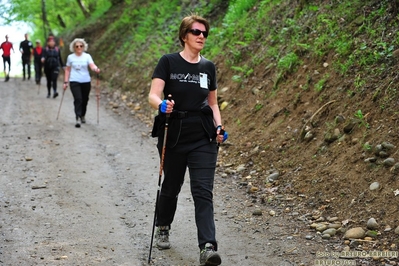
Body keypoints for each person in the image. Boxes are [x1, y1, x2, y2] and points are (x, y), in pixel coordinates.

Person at [148, 14, 228, 266]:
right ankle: (163, 225)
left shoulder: (208, 67)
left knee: (203, 192)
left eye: (204, 33)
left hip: (203, 135)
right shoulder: (168, 62)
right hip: (174, 132)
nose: (201, 36)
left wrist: (219, 127)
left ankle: (207, 247)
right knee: (171, 186)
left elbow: (213, 103)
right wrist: (162, 106)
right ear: (184, 36)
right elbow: (153, 94)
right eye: (196, 32)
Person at [63, 38, 100, 128]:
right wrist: (65, 81)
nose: (79, 47)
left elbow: (92, 65)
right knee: (78, 99)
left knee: (85, 99)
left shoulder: (87, 56)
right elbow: (67, 70)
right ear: (74, 48)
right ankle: (78, 117)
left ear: (83, 47)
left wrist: (95, 69)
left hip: (86, 81)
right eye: (77, 46)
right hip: (74, 80)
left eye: (81, 46)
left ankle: (83, 115)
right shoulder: (70, 57)